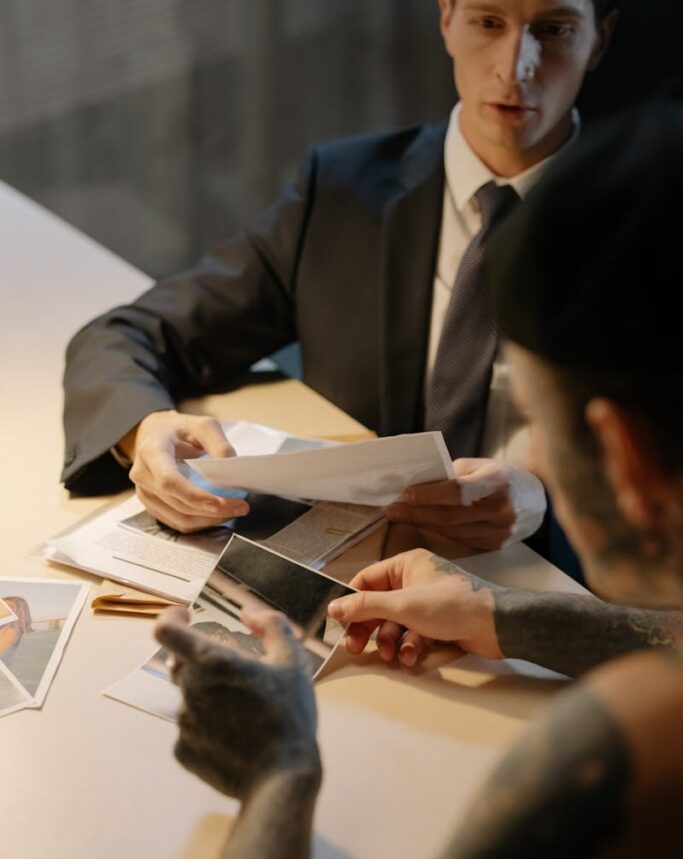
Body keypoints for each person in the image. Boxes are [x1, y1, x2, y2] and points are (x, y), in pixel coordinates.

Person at [154, 100, 683, 859]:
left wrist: (279, 770)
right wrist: (500, 613)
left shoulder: (644, 751)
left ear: (627, 458)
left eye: (541, 425)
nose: (538, 467)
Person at [61, 0, 617, 556]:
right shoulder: (342, 192)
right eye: (488, 22)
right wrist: (146, 433)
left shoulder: (650, 225)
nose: (514, 66)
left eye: (554, 30)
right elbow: (126, 336)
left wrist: (544, 507)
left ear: (599, 40)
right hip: (350, 570)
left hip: (553, 586)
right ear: (447, 18)